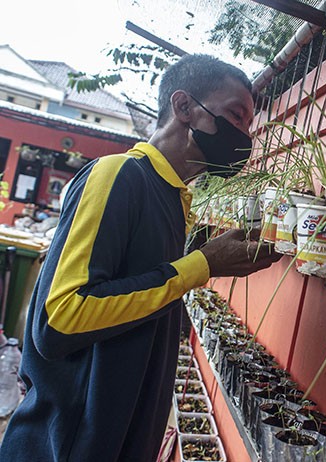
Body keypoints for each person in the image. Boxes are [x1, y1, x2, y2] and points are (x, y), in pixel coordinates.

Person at [0, 54, 281, 461]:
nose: (244, 136)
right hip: (63, 446)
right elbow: (61, 317)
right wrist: (202, 265)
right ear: (184, 107)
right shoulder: (117, 175)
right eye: (236, 117)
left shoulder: (176, 199)